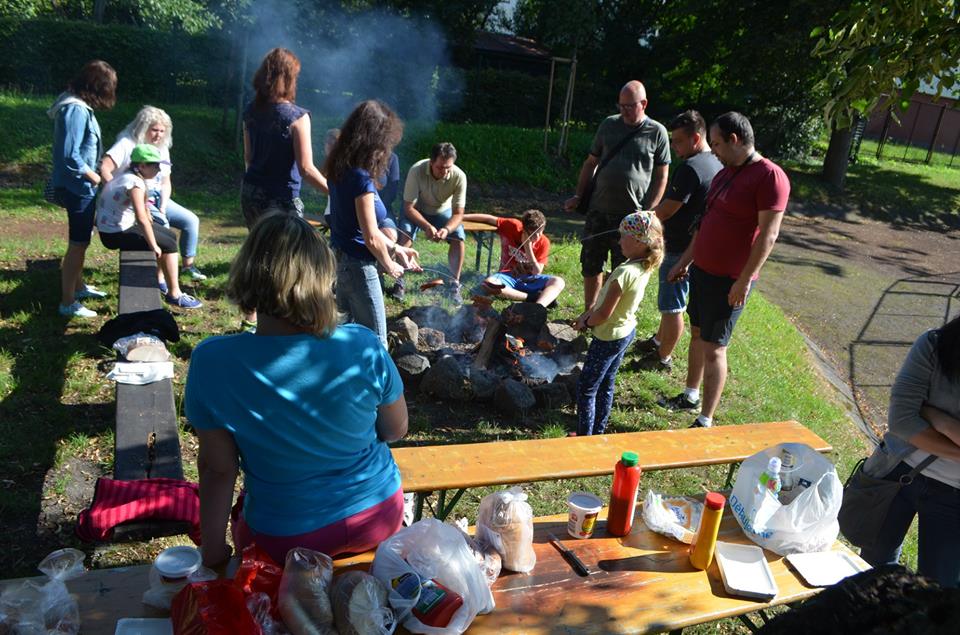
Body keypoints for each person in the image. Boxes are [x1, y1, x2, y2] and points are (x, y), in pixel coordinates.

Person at [185, 213, 409, 567]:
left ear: (249, 273)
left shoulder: (211, 361)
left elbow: (218, 469)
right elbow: (396, 430)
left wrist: (212, 550)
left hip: (284, 539)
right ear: (323, 279)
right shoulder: (363, 345)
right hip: (379, 515)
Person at [660, 112, 789, 428]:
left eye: (716, 143)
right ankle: (690, 393)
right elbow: (704, 227)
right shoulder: (724, 173)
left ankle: (705, 419)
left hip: (730, 279)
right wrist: (684, 261)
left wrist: (744, 280)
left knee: (715, 348)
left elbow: (768, 235)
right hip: (702, 271)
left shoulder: (770, 177)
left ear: (734, 139)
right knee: (697, 335)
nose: (712, 149)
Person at [857, 314, 960, 587]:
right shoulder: (935, 344)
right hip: (899, 473)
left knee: (940, 592)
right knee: (873, 573)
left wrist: (940, 420)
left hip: (955, 500)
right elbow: (902, 421)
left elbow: (912, 420)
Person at [241, 48, 329, 329]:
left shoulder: (251, 111)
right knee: (295, 259)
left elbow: (248, 158)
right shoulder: (297, 116)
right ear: (289, 78)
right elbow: (306, 168)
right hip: (282, 199)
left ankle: (253, 316)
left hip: (252, 193)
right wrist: (334, 192)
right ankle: (290, 317)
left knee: (261, 253)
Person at [564, 80, 670, 312]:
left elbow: (662, 176)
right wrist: (578, 195)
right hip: (598, 210)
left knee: (623, 269)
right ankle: (589, 311)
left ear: (644, 104)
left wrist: (649, 211)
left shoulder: (657, 132)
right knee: (591, 263)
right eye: (621, 105)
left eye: (629, 106)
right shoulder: (608, 125)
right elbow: (590, 163)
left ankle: (610, 315)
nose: (623, 111)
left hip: (632, 217)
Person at [325, 100, 420, 346]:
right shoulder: (361, 178)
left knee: (343, 336)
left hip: (342, 260)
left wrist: (398, 248)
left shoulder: (341, 166)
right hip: (359, 267)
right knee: (376, 342)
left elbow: (360, 225)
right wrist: (390, 265)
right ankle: (376, 386)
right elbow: (370, 236)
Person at [632, 110, 721, 372]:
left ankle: (662, 358)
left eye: (678, 141)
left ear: (695, 138)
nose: (674, 146)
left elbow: (669, 208)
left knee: (672, 306)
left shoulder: (692, 168)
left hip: (680, 247)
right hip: (695, 247)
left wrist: (644, 219)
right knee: (672, 302)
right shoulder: (714, 162)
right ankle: (659, 340)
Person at [573, 211, 664, 436]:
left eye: (623, 236)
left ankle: (584, 437)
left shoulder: (623, 272)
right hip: (626, 332)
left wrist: (586, 323)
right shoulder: (643, 265)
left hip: (607, 337)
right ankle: (599, 430)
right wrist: (588, 315)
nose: (619, 240)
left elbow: (604, 313)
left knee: (587, 388)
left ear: (638, 241)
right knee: (607, 384)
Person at [100, 105, 207, 291]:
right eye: (154, 130)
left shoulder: (162, 148)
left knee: (191, 220)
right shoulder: (127, 144)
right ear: (143, 127)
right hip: (135, 198)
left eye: (162, 131)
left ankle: (188, 266)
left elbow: (166, 181)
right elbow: (104, 168)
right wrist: (117, 195)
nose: (158, 135)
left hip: (157, 197)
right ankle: (159, 279)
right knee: (162, 228)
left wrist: (164, 206)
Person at [48, 59, 116, 318]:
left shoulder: (78, 106)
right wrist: (94, 176)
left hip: (80, 187)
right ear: (97, 86)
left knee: (82, 241)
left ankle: (78, 287)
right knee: (78, 244)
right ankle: (67, 303)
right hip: (78, 188)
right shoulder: (75, 110)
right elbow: (69, 155)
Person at [95, 144, 202, 309]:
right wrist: (153, 245)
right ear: (142, 166)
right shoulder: (135, 183)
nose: (159, 170)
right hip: (115, 234)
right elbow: (142, 218)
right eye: (155, 165)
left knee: (170, 235)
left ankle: (166, 284)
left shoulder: (128, 176)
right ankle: (175, 294)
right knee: (168, 244)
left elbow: (143, 210)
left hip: (115, 228)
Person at [396, 142, 467, 304]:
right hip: (416, 209)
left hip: (442, 211)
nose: (444, 171)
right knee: (405, 233)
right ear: (431, 162)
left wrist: (447, 230)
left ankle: (454, 283)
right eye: (440, 167)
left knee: (459, 236)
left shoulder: (459, 176)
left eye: (448, 167)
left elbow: (458, 213)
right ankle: (399, 280)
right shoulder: (417, 170)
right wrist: (427, 226)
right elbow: (408, 207)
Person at [461, 209, 565, 307]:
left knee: (558, 281)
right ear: (524, 229)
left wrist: (527, 246)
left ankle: (539, 306)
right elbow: (488, 219)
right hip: (508, 276)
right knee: (489, 283)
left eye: (540, 232)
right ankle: (531, 298)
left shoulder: (544, 242)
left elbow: (536, 272)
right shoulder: (512, 226)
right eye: (532, 234)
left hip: (530, 279)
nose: (537, 237)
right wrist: (461, 216)